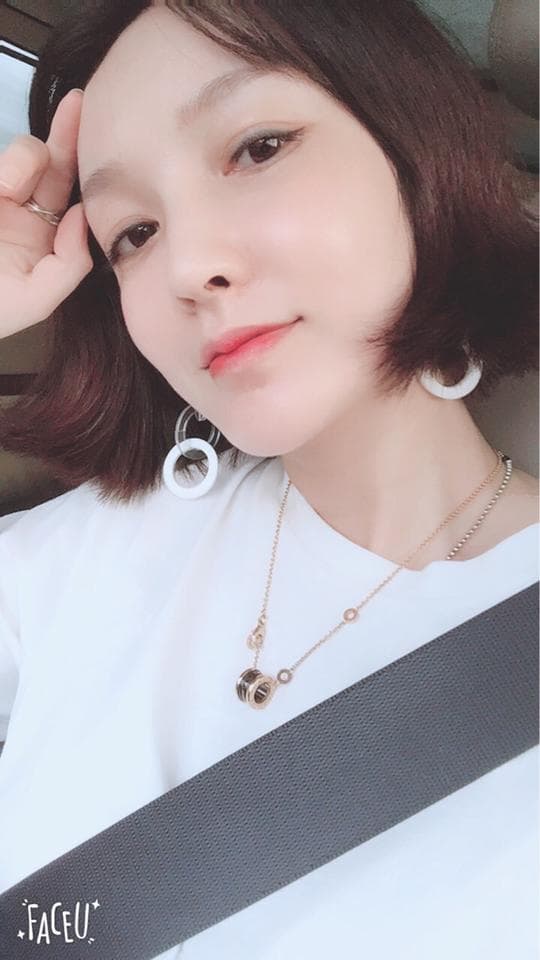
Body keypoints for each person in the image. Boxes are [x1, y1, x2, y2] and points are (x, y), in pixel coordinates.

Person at [0, 1, 538, 957]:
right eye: (134, 232)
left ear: (414, 149)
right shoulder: (100, 539)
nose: (189, 266)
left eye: (257, 149)